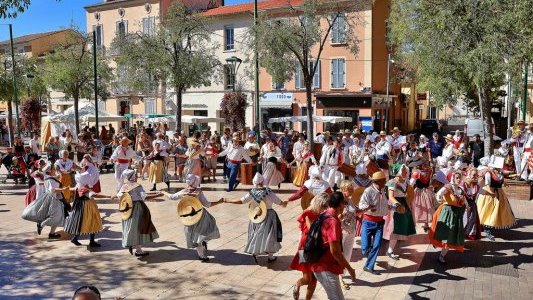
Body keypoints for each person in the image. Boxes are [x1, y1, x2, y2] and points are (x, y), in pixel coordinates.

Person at [223, 173, 288, 263]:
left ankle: (256, 253)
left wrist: (228, 200)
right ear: (263, 181)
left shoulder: (252, 192)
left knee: (256, 233)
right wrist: (284, 203)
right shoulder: (268, 191)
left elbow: (241, 201)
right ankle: (270, 256)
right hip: (269, 215)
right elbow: (279, 202)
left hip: (256, 215)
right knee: (270, 235)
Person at [309, 192, 356, 300]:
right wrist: (349, 269)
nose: (345, 206)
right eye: (344, 203)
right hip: (325, 266)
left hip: (318, 263)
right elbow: (335, 251)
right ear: (340, 205)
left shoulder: (324, 214)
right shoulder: (332, 222)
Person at [164, 174, 222, 261]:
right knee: (204, 231)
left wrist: (163, 192)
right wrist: (220, 201)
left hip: (188, 217)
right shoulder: (198, 191)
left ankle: (201, 252)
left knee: (196, 235)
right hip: (200, 216)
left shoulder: (183, 191)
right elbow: (207, 204)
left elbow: (172, 197)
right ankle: (202, 254)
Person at [290, 193, 329, 300]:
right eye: (324, 206)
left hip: (316, 249)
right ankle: (297, 285)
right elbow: (311, 229)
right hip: (305, 248)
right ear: (319, 204)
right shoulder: (308, 213)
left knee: (314, 280)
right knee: (307, 279)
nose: (326, 208)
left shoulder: (322, 215)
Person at [21, 163, 68, 239]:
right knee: (55, 216)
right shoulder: (49, 179)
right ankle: (41, 225)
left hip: (56, 198)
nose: (54, 170)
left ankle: (52, 233)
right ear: (50, 170)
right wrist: (63, 189)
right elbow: (52, 190)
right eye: (53, 169)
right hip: (54, 199)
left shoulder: (49, 177)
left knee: (57, 216)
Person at [117, 169, 158, 257]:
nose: (136, 176)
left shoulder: (124, 186)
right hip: (137, 208)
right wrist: (157, 195)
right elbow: (144, 196)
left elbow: (119, 195)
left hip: (127, 208)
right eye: (135, 175)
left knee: (129, 226)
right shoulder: (137, 186)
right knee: (138, 227)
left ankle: (132, 244)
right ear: (132, 176)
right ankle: (137, 249)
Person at [430, 171, 466, 264]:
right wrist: (440, 199)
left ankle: (442, 255)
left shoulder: (460, 189)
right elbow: (438, 194)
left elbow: (463, 201)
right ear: (453, 178)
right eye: (457, 177)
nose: (458, 179)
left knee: (450, 235)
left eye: (459, 178)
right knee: (444, 233)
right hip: (447, 212)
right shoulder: (448, 187)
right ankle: (439, 248)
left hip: (456, 214)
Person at [358, 171, 390, 275]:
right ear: (379, 181)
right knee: (365, 248)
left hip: (380, 223)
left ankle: (369, 266)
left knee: (377, 245)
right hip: (368, 222)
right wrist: (368, 208)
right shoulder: (368, 191)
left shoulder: (383, 191)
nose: (385, 181)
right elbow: (361, 204)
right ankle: (368, 254)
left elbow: (385, 206)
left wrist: (395, 207)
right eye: (384, 180)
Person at [383, 164, 416, 260]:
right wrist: (398, 206)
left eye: (406, 171)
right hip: (395, 206)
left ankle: (390, 250)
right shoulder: (392, 182)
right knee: (393, 227)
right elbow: (391, 197)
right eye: (404, 171)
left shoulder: (405, 182)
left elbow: (408, 193)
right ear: (398, 172)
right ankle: (388, 249)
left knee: (397, 228)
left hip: (403, 204)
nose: (406, 173)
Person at [477, 161, 516, 241]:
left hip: (499, 193)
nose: (499, 169)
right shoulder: (489, 173)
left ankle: (490, 226)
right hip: (489, 194)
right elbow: (487, 184)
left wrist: (505, 183)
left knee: (496, 211)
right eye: (497, 167)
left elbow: (501, 180)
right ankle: (487, 230)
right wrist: (490, 192)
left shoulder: (499, 173)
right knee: (487, 211)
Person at [64, 172, 103, 247]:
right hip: (87, 207)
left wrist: (67, 188)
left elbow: (72, 189)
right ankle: (91, 242)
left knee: (80, 223)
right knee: (92, 222)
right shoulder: (84, 188)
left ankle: (75, 238)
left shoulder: (78, 186)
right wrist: (108, 196)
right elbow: (95, 195)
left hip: (79, 207)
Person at [339, 180, 359, 289]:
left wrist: (368, 209)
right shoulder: (339, 201)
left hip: (351, 231)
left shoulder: (350, 201)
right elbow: (333, 216)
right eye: (349, 189)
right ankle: (340, 278)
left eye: (352, 189)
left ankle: (342, 274)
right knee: (340, 255)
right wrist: (340, 216)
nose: (352, 191)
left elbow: (356, 212)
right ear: (343, 189)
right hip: (341, 232)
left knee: (347, 255)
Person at [409, 157, 434, 231]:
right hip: (427, 191)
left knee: (418, 207)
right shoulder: (429, 171)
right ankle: (426, 224)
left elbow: (411, 183)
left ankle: (415, 224)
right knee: (427, 206)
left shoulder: (416, 173)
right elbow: (429, 180)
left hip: (419, 191)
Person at [461, 167, 482, 240]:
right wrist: (466, 204)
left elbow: (481, 193)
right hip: (463, 205)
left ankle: (467, 234)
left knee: (472, 219)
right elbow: (460, 196)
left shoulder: (476, 186)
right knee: (464, 220)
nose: (475, 177)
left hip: (472, 205)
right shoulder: (463, 185)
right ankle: (460, 235)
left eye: (476, 175)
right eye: (474, 175)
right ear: (468, 175)